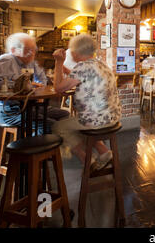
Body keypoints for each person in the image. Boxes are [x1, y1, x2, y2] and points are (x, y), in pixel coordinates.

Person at [52, 34, 122, 172]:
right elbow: (80, 76)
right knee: (80, 126)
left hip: (96, 120)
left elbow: (58, 87)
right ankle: (104, 152)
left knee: (60, 127)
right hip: (113, 117)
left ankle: (87, 159)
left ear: (76, 52)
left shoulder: (82, 67)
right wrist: (66, 70)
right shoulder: (101, 64)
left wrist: (58, 63)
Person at [0, 32, 69, 133]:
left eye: (34, 50)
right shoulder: (7, 60)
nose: (32, 53)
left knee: (65, 115)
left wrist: (36, 85)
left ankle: (37, 143)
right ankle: (33, 146)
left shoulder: (31, 62)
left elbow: (42, 80)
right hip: (9, 111)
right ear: (13, 50)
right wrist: (19, 85)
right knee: (52, 125)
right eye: (27, 49)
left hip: (29, 107)